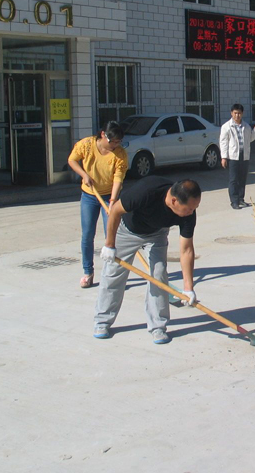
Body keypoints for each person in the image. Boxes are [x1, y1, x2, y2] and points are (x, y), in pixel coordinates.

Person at [93, 177, 201, 344]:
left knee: (159, 276)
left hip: (157, 234)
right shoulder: (146, 191)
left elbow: (186, 250)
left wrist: (188, 288)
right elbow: (115, 211)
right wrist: (109, 245)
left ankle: (158, 326)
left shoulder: (189, 214)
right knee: (114, 274)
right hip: (127, 231)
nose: (191, 212)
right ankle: (102, 321)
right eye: (189, 208)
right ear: (174, 201)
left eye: (195, 208)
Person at [67, 122, 128, 288]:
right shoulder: (86, 145)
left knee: (111, 235)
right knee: (87, 234)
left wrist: (113, 201)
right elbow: (72, 160)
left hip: (109, 196)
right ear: (103, 135)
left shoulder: (120, 154)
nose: (115, 145)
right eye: (113, 141)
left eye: (118, 142)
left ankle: (111, 274)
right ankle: (88, 272)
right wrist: (84, 175)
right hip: (89, 195)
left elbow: (118, 178)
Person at [220, 103, 255, 209]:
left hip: (244, 155)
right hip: (233, 156)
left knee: (242, 178)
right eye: (235, 113)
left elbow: (250, 138)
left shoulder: (246, 126)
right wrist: (224, 157)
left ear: (242, 114)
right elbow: (223, 142)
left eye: (239, 113)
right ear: (231, 113)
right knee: (233, 179)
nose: (237, 115)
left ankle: (241, 199)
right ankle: (234, 201)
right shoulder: (226, 127)